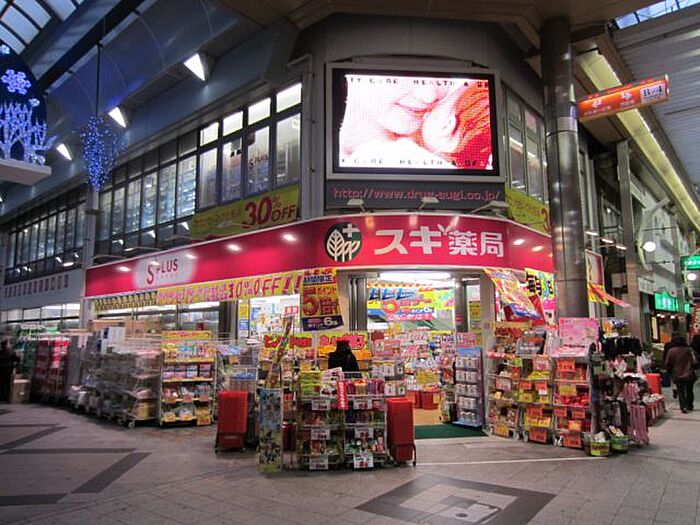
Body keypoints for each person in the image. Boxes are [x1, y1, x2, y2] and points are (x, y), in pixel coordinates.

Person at [665, 335, 697, 413]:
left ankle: (683, 407)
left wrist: (670, 371)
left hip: (677, 374)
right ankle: (689, 405)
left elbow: (667, 363)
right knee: (689, 390)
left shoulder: (671, 351)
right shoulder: (688, 350)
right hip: (689, 373)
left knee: (680, 391)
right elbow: (694, 362)